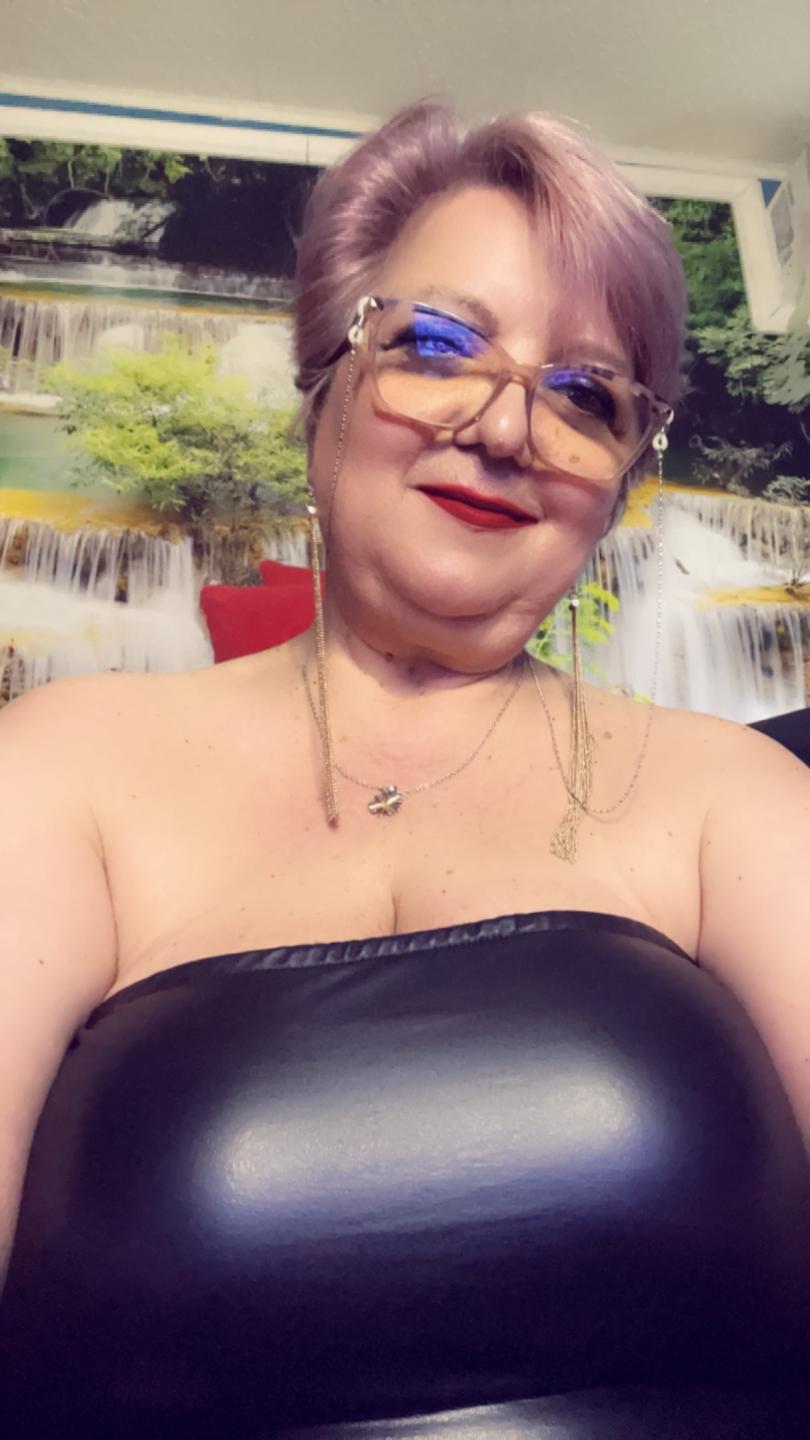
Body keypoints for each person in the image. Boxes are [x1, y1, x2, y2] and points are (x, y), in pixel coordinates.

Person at [1, 100, 808, 1439]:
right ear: (326, 375)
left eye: (584, 395)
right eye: (438, 343)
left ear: (618, 480)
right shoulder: (58, 774)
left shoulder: (743, 801)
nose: (507, 427)